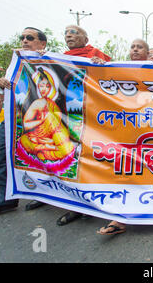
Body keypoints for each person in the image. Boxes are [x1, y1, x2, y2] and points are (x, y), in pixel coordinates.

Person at [0, 27, 48, 221]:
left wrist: (46, 57)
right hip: (13, 120)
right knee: (0, 158)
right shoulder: (16, 63)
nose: (24, 41)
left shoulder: (50, 60)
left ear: (42, 44)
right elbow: (1, 93)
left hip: (40, 122)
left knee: (42, 160)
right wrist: (2, 82)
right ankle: (2, 200)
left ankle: (46, 195)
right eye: (22, 37)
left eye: (30, 38)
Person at [54, 25, 112, 226]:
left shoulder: (95, 55)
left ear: (85, 37)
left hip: (94, 114)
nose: (69, 36)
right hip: (67, 111)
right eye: (66, 33)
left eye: (74, 32)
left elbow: (113, 77)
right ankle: (76, 205)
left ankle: (94, 201)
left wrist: (101, 64)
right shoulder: (59, 58)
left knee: (92, 157)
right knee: (73, 155)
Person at [97, 38, 150, 235]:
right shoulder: (116, 69)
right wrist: (101, 67)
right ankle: (120, 219)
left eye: (140, 47)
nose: (135, 49)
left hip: (152, 132)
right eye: (133, 46)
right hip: (126, 131)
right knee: (125, 173)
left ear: (147, 51)